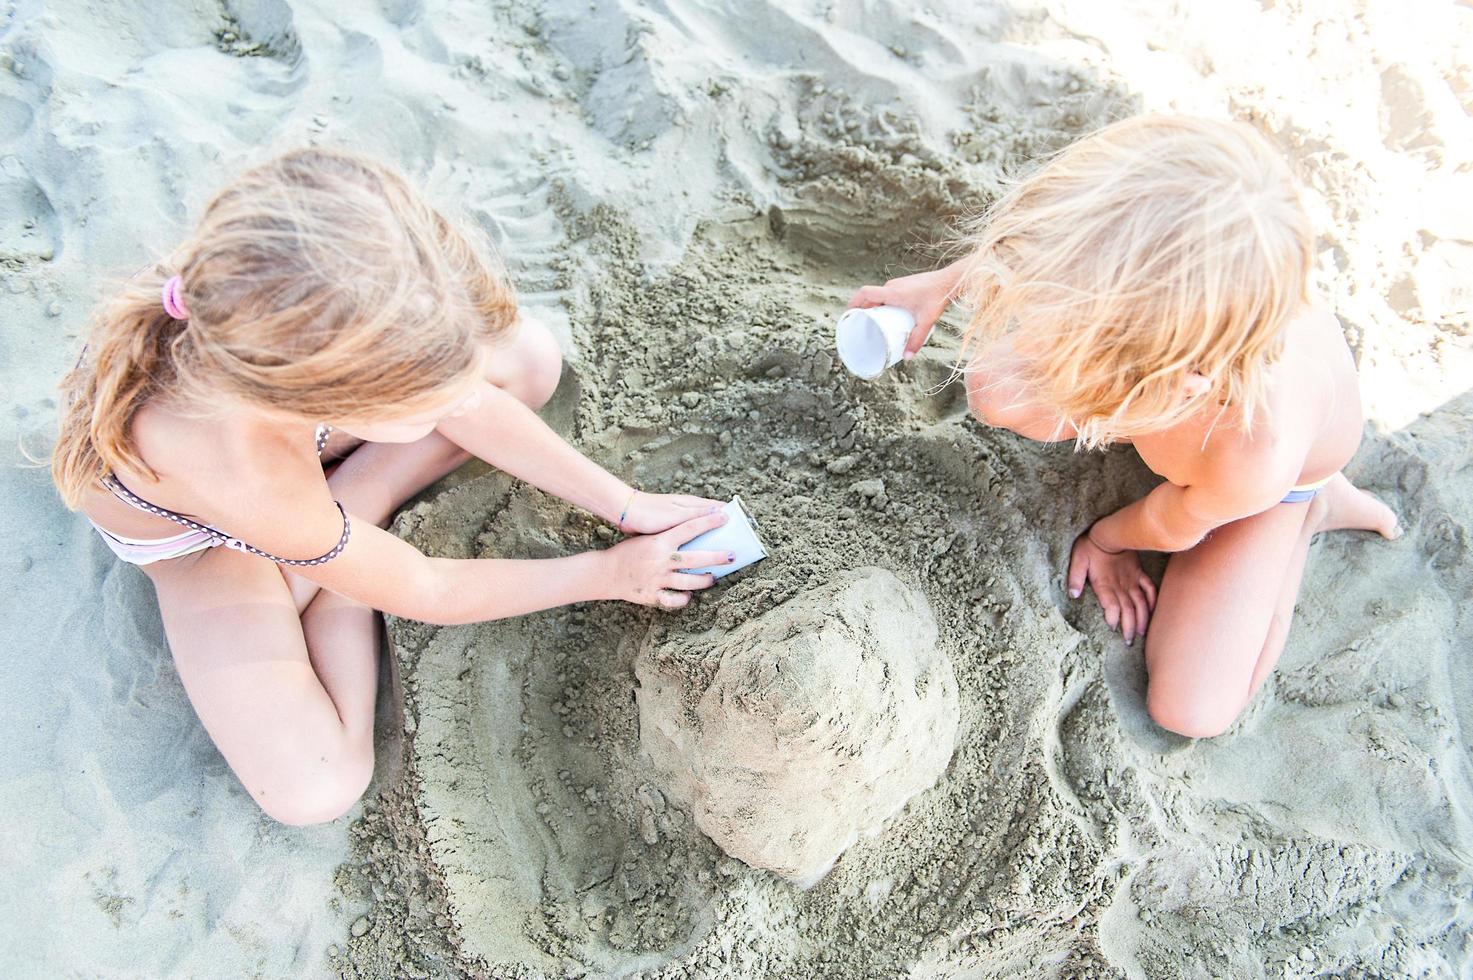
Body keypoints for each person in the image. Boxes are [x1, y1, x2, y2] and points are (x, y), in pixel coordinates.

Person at [51, 149, 735, 824]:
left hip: (305, 470)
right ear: (337, 399)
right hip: (210, 548)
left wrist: (624, 503)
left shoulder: (276, 290)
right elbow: (426, 589)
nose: (459, 398)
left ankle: (348, 529)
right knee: (315, 786)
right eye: (431, 396)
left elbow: (466, 395)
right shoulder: (244, 465)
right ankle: (341, 579)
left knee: (528, 361)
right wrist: (607, 571)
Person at [850, 115, 1398, 739]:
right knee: (999, 389)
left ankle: (1314, 513)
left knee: (1192, 709)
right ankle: (1112, 395)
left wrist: (1109, 542)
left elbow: (1172, 518)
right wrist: (942, 286)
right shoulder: (1132, 252)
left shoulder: (1253, 452)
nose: (1032, 324)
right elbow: (1042, 241)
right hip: (1165, 364)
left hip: (1272, 481)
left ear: (1173, 382)